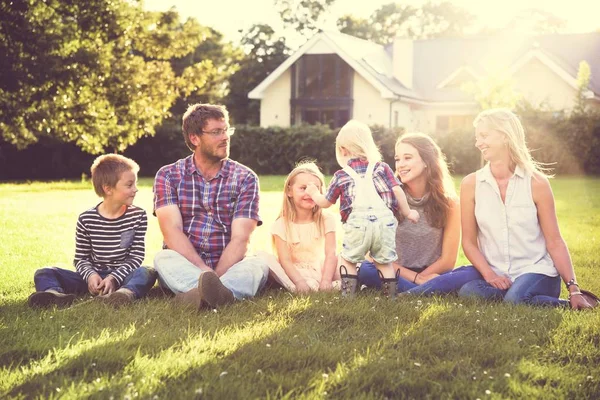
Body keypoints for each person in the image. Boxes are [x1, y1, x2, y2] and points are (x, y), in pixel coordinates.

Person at [457, 108, 598, 309]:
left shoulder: (536, 183)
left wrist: (574, 288)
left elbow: (555, 241)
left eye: (484, 136)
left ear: (505, 136)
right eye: (477, 137)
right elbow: (469, 242)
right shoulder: (471, 183)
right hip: (499, 273)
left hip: (538, 271)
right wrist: (490, 275)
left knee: (515, 301)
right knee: (469, 293)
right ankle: (517, 295)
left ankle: (572, 302)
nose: (478, 143)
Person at [153, 103, 269, 310]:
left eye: (226, 130)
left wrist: (216, 276)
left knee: (258, 263)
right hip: (186, 265)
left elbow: (241, 238)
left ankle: (199, 295)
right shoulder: (168, 175)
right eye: (216, 132)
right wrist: (204, 273)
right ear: (194, 138)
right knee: (164, 257)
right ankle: (221, 294)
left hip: (231, 265)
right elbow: (172, 232)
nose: (225, 137)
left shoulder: (245, 178)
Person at [306, 120, 419, 298]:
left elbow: (326, 202)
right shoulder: (382, 168)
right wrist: (408, 212)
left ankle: (347, 296)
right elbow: (397, 190)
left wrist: (313, 193)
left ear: (342, 150)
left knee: (348, 259)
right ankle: (389, 297)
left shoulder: (341, 175)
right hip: (385, 225)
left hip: (358, 225)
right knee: (384, 263)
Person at [358, 133, 481, 295]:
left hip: (432, 273)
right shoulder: (386, 197)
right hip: (393, 271)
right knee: (365, 268)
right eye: (397, 159)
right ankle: (426, 291)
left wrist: (424, 278)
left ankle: (410, 292)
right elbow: (375, 256)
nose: (400, 164)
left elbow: (448, 260)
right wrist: (416, 279)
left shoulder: (451, 204)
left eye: (407, 158)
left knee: (473, 271)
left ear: (426, 161)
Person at [29, 154, 156, 308]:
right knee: (44, 272)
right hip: (92, 277)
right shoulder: (86, 219)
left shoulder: (138, 216)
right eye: (129, 185)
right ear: (108, 188)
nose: (135, 189)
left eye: (135, 184)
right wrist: (91, 276)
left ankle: (124, 294)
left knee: (147, 272)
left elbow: (136, 256)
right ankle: (54, 295)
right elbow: (81, 258)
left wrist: (113, 278)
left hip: (122, 277)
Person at [259, 162, 338, 293]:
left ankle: (328, 284)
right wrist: (299, 282)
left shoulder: (327, 219)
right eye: (303, 188)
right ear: (290, 191)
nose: (310, 193)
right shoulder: (281, 225)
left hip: (319, 268)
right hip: (294, 271)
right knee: (264, 258)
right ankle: (301, 286)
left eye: (315, 189)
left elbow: (331, 253)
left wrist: (326, 280)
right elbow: (285, 260)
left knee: (347, 262)